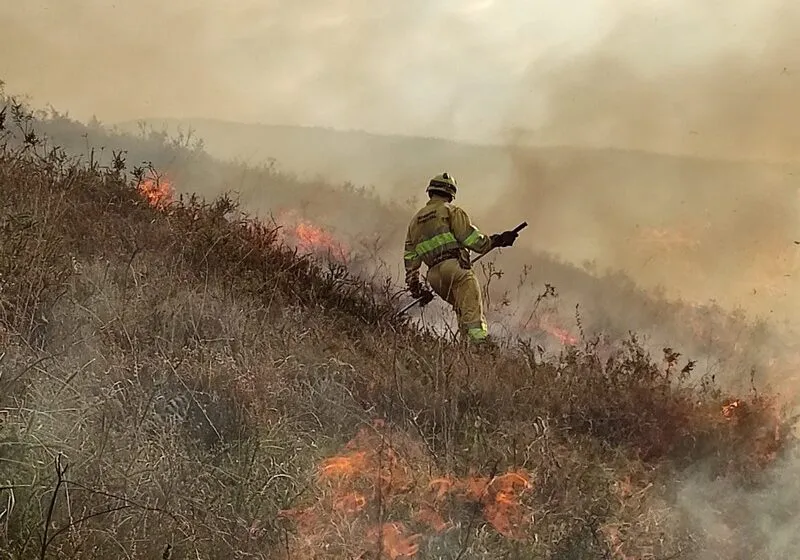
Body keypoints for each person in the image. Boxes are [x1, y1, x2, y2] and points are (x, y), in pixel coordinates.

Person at [403, 172, 519, 343]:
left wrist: (416, 288)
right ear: (451, 194)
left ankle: (466, 350)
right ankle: (481, 347)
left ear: (430, 192)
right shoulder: (451, 211)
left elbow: (410, 258)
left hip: (434, 277)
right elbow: (470, 239)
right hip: (455, 268)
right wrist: (496, 240)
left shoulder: (415, 221)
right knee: (472, 312)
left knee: (462, 309)